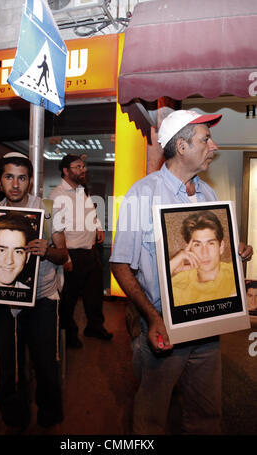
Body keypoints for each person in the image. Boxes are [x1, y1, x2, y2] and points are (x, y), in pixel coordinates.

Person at [110, 109, 253, 435]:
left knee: (206, 414)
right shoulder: (140, 195)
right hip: (164, 329)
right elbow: (120, 264)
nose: (213, 146)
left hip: (208, 328)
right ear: (182, 147)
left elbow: (214, 254)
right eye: (206, 139)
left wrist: (237, 249)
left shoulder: (209, 194)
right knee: (151, 417)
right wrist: (152, 317)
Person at [0, 152, 68, 432]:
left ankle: (49, 413)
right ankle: (14, 415)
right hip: (5, 301)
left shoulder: (47, 209)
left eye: (21, 178)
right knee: (9, 364)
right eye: (9, 176)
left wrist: (49, 250)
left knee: (46, 363)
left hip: (43, 298)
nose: (15, 184)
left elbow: (64, 256)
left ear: (30, 181)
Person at [49, 154, 112, 348]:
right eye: (77, 167)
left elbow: (89, 212)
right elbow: (55, 229)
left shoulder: (80, 191)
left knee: (94, 294)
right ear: (66, 171)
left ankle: (94, 326)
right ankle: (69, 334)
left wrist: (98, 226)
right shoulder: (57, 195)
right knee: (68, 299)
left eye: (83, 166)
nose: (82, 170)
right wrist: (65, 257)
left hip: (90, 251)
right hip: (72, 253)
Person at [170, 210, 236, 306]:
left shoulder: (235, 274)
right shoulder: (177, 286)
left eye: (210, 243)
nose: (204, 253)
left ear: (221, 247)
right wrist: (170, 267)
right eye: (197, 245)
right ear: (188, 249)